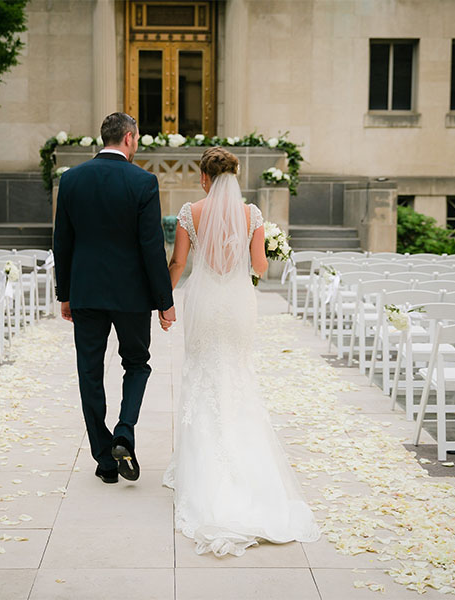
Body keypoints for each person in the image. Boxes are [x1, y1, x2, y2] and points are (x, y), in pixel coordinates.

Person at [162, 147, 320, 557]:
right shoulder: (252, 215)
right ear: (236, 176)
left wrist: (162, 296)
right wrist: (265, 246)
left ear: (204, 178)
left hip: (204, 301)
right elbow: (259, 268)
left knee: (202, 374)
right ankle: (245, 462)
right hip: (235, 304)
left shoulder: (189, 213)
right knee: (236, 373)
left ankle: (201, 470)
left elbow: (179, 263)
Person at [53, 112, 177, 485]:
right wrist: (164, 301)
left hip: (87, 292)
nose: (137, 143)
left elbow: (62, 242)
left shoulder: (72, 180)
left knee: (89, 373)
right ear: (127, 137)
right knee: (137, 363)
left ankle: (105, 459)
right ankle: (124, 431)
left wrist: (66, 294)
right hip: (131, 295)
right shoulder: (143, 182)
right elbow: (152, 247)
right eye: (136, 138)